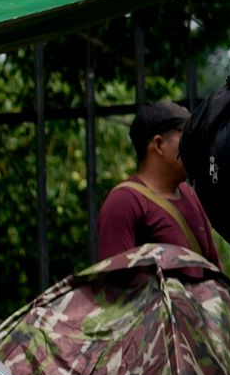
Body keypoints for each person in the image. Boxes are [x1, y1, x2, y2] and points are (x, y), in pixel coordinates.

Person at [94, 100, 222, 266]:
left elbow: (214, 273)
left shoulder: (190, 195)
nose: (196, 147)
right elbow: (116, 284)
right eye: (187, 137)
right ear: (159, 144)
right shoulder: (124, 202)